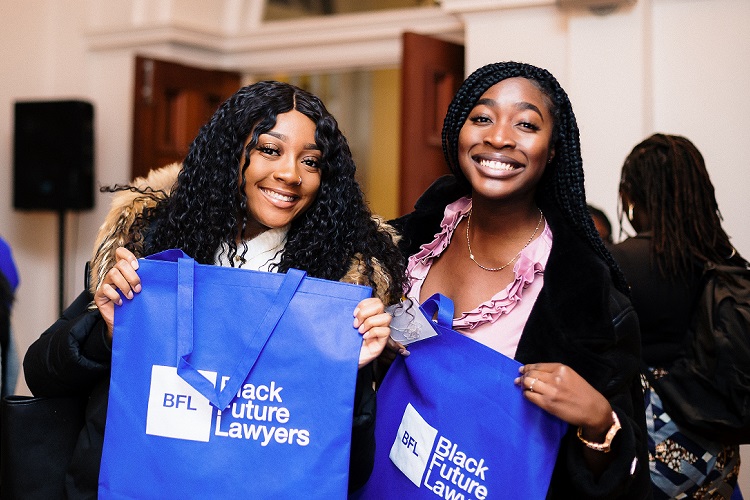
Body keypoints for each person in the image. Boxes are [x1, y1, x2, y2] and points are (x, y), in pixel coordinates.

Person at [23, 81, 406, 498]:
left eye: (311, 161)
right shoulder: (149, 247)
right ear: (230, 154)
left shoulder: (335, 286)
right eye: (270, 149)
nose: (291, 174)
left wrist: (344, 372)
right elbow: (42, 375)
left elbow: (351, 467)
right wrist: (106, 332)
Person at [389, 61, 652, 498]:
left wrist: (598, 422)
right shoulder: (401, 247)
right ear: (458, 134)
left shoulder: (589, 299)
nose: (499, 137)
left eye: (526, 123)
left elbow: (623, 480)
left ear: (552, 151)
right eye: (482, 118)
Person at [610, 133, 743, 499]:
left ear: (632, 196)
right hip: (717, 453)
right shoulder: (726, 262)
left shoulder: (618, 262)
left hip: (648, 443)